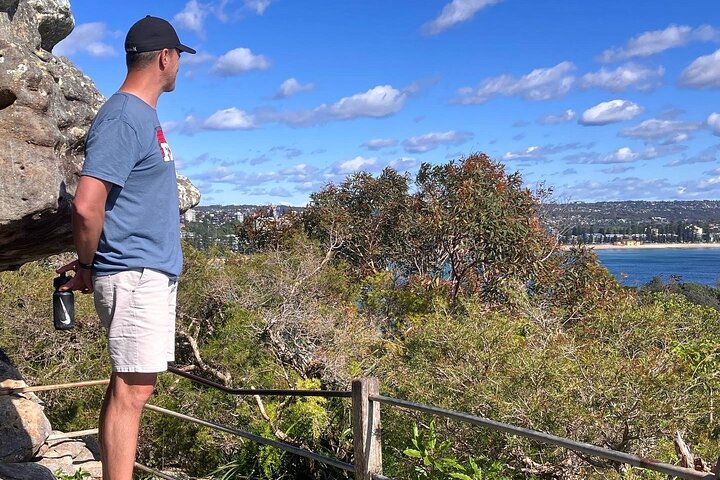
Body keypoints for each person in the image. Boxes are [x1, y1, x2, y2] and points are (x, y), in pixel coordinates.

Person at [57, 15, 195, 480]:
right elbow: (86, 205)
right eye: (179, 57)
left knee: (130, 387)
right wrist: (89, 264)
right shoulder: (122, 117)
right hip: (133, 274)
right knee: (132, 392)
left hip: (144, 273)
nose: (179, 67)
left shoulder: (141, 116)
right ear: (165, 57)